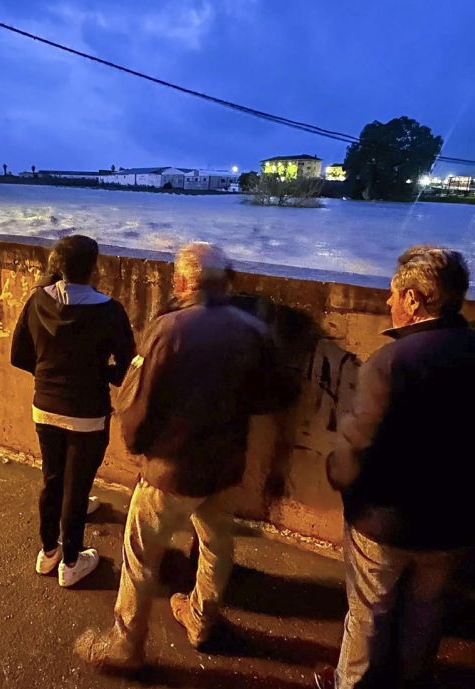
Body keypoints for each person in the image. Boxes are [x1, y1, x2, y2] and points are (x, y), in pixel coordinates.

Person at [75, 242, 297, 671]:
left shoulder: (170, 329)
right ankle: (201, 618)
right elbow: (279, 393)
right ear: (223, 281)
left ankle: (125, 646)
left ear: (181, 282)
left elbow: (136, 401)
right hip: (224, 464)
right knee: (215, 544)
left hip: (172, 468)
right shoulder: (251, 329)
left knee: (141, 553)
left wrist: (138, 447)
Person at [316, 246, 475, 689]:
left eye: (393, 294)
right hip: (457, 522)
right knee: (426, 611)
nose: (388, 301)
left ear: (413, 300)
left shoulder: (392, 363)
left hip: (387, 521)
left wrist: (343, 483)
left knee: (369, 614)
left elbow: (356, 450)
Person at [10, 235, 136, 588]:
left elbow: (18, 355)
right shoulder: (109, 310)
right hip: (87, 413)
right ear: (95, 268)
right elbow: (126, 366)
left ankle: (48, 551)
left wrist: (50, 375)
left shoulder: (38, 300)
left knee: (52, 478)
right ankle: (71, 560)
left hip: (45, 407)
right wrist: (99, 374)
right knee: (76, 486)